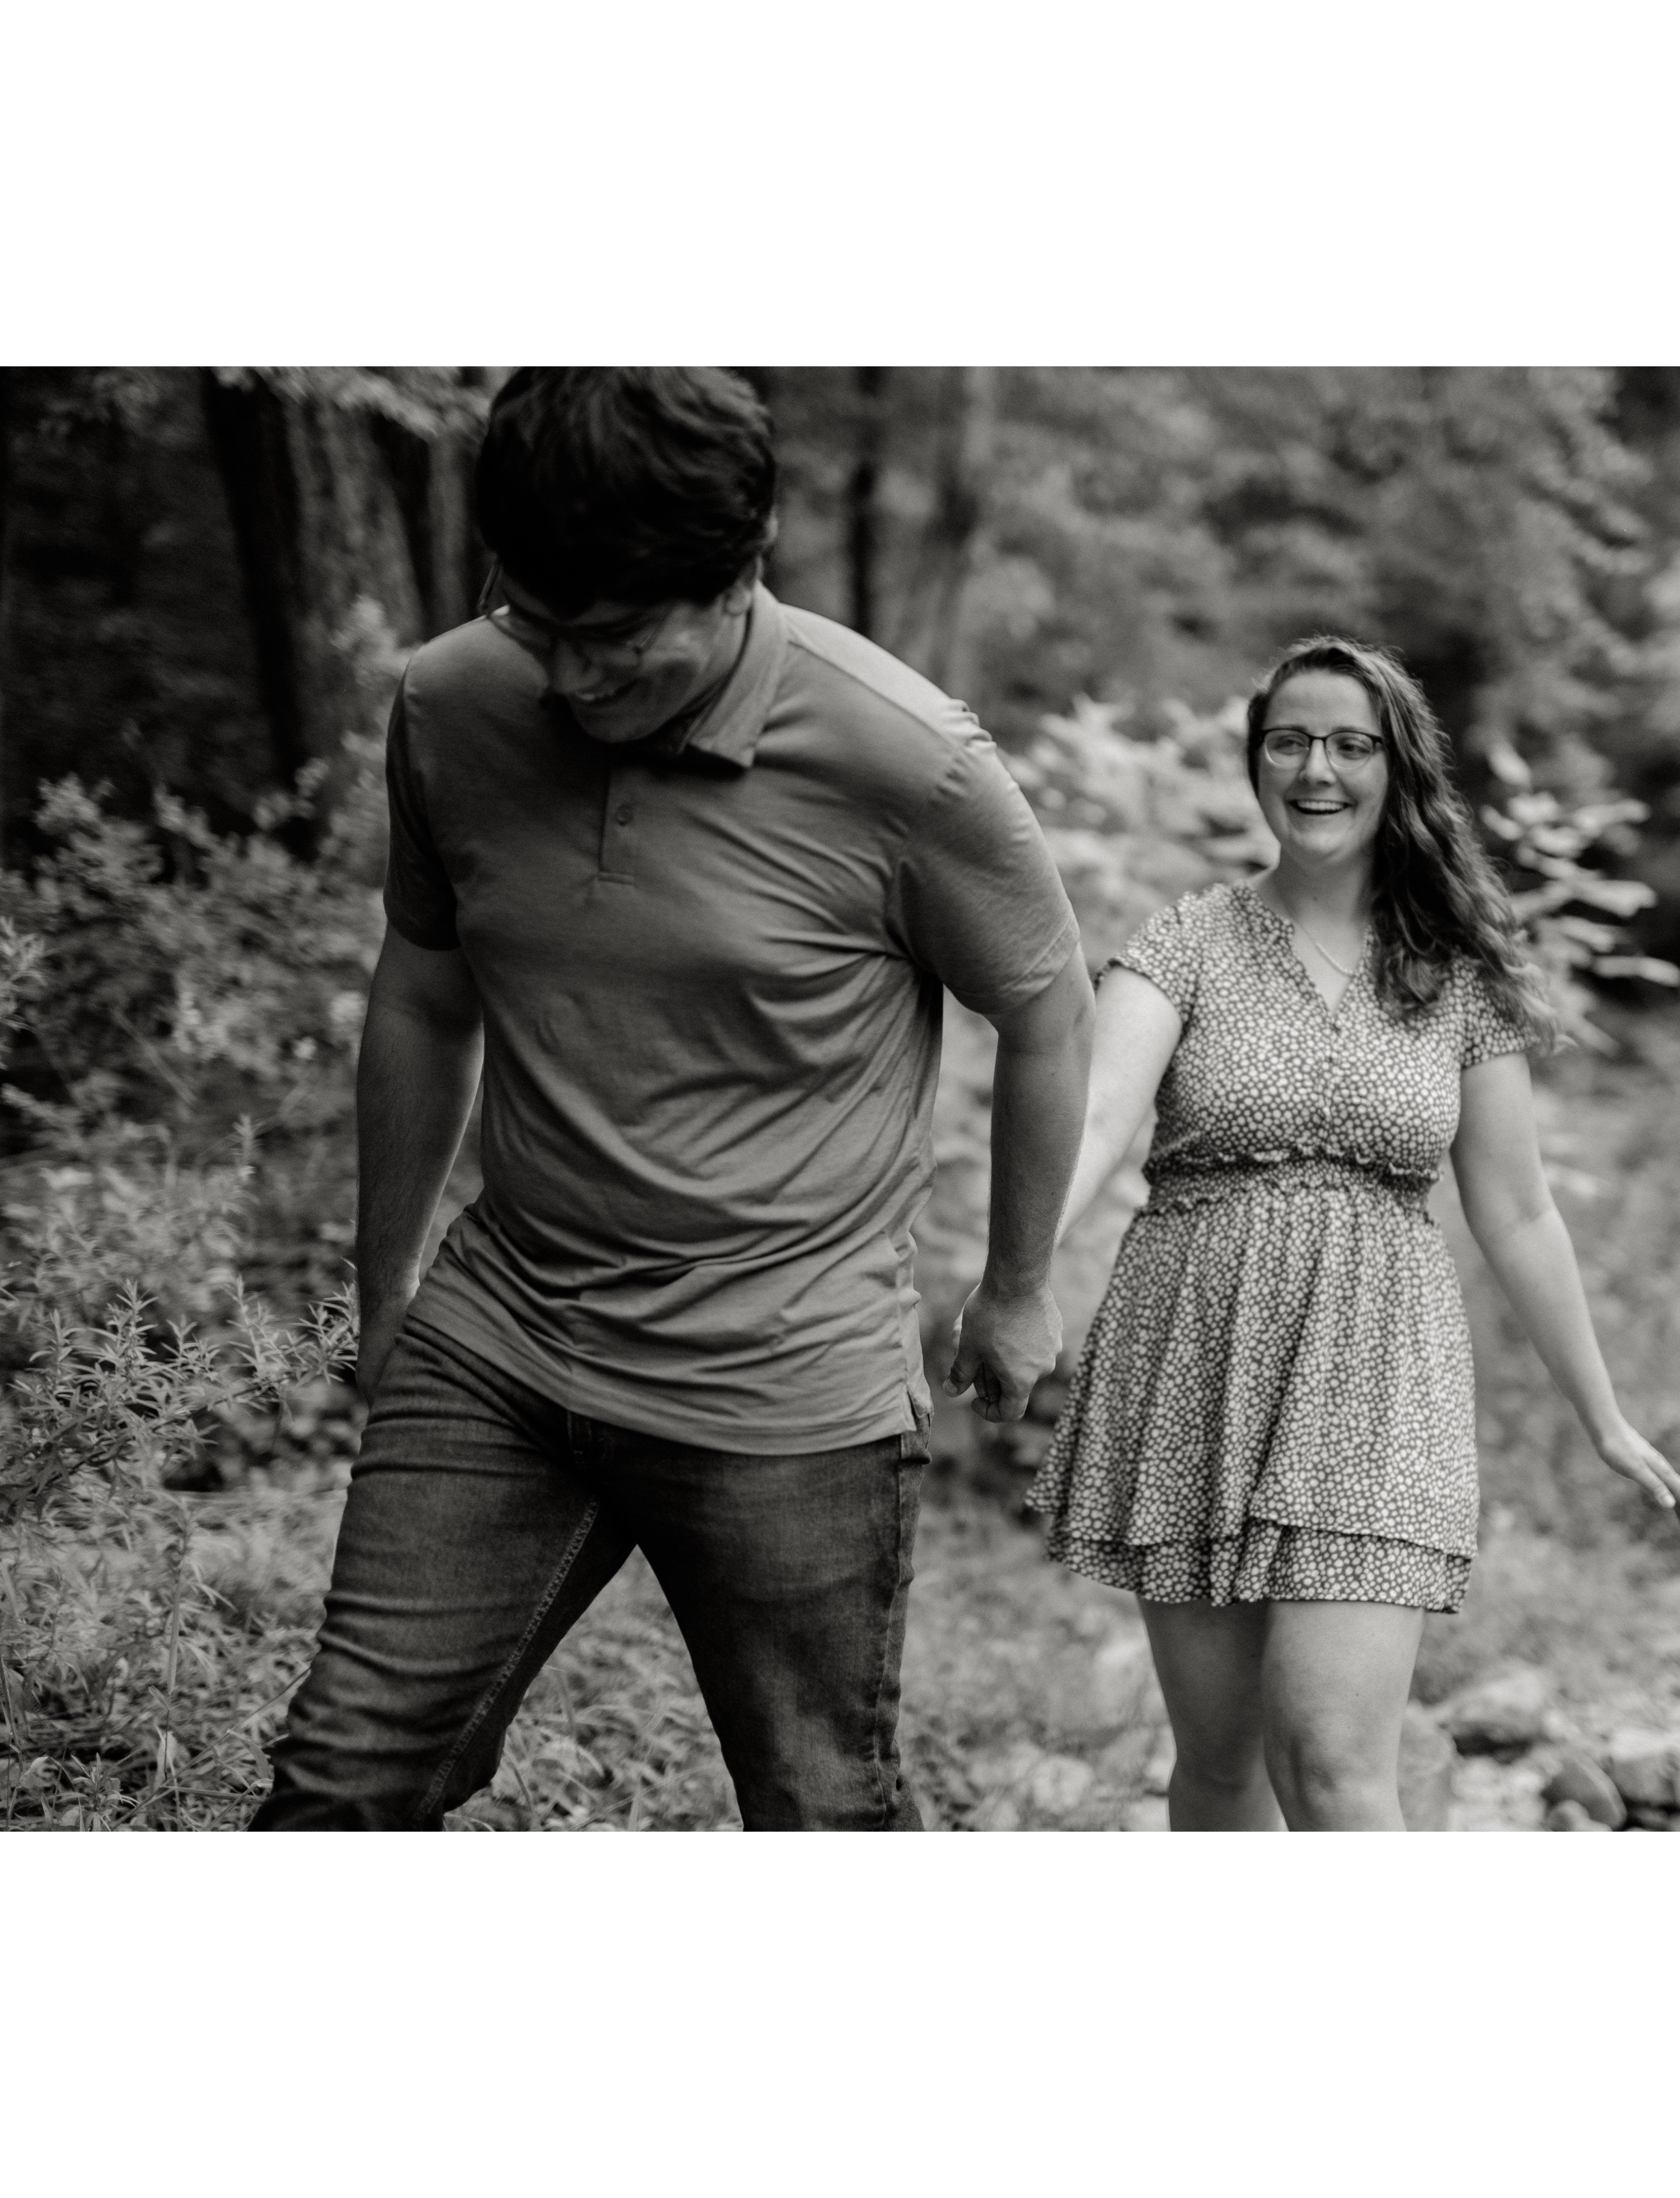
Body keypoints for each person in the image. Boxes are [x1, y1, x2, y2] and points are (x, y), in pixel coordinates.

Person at [253, 369, 1091, 1831]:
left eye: (621, 641)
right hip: (502, 1341)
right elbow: (426, 992)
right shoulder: (454, 701)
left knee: (820, 1810)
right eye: (540, 624)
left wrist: (1017, 1287)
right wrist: (385, 1288)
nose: (572, 680)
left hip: (785, 1390)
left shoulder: (908, 762)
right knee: (344, 1780)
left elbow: (1046, 1008)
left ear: (743, 566)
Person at [1030, 635, 1680, 1832]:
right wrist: (1016, 1276)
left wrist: (1604, 1417)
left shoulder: (1454, 977)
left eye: (1351, 745)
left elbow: (1518, 1209)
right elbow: (1094, 1122)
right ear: (1257, 762)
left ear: (1398, 770)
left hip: (1382, 1370)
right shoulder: (1187, 940)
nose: (1317, 770)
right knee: (1223, 1767)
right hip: (1197, 1361)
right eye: (1290, 742)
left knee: (1335, 1761)